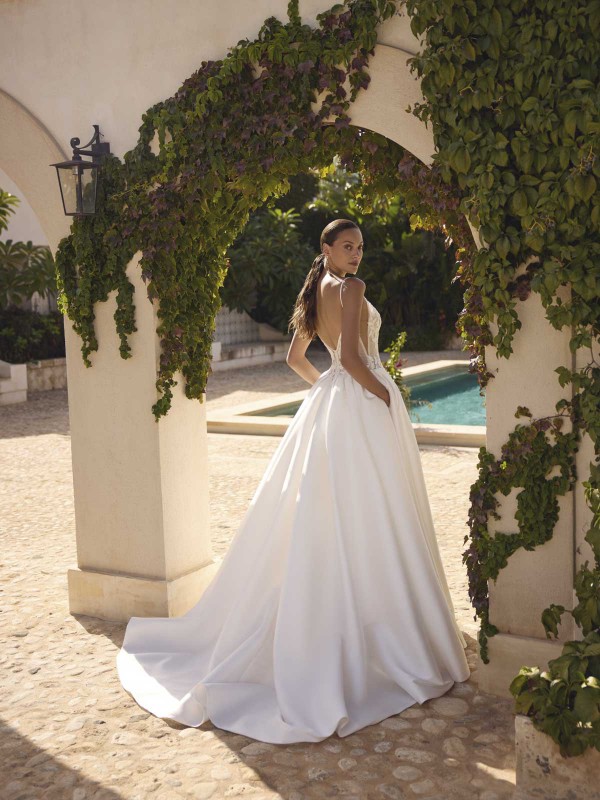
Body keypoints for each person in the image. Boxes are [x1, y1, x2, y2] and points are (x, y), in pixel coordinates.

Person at [116, 218, 470, 744]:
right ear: (326, 247)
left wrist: (326, 389)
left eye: (360, 248)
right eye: (347, 246)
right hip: (361, 404)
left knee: (334, 513)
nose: (357, 255)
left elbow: (299, 359)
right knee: (374, 513)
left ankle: (351, 617)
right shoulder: (351, 289)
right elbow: (351, 359)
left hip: (333, 404)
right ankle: (385, 630)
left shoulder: (315, 290)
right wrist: (383, 396)